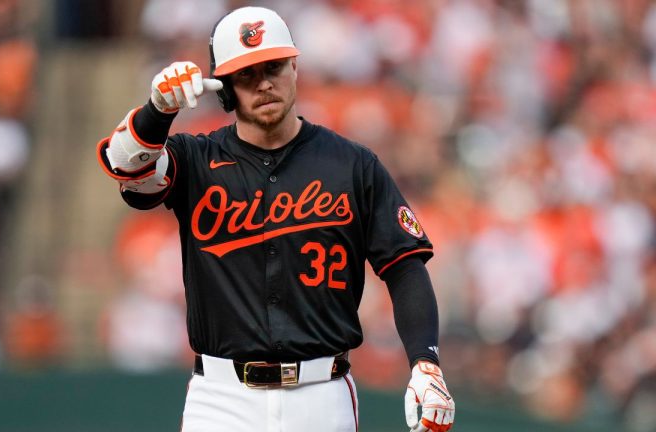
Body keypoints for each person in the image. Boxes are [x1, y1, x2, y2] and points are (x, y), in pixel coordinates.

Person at [97, 6, 454, 432]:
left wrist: (425, 362)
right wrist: (157, 111)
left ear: (295, 68)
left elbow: (404, 265)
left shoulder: (352, 164)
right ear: (224, 88)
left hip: (323, 391)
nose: (265, 82)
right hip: (221, 397)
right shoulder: (195, 159)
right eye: (247, 74)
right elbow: (125, 168)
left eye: (274, 67)